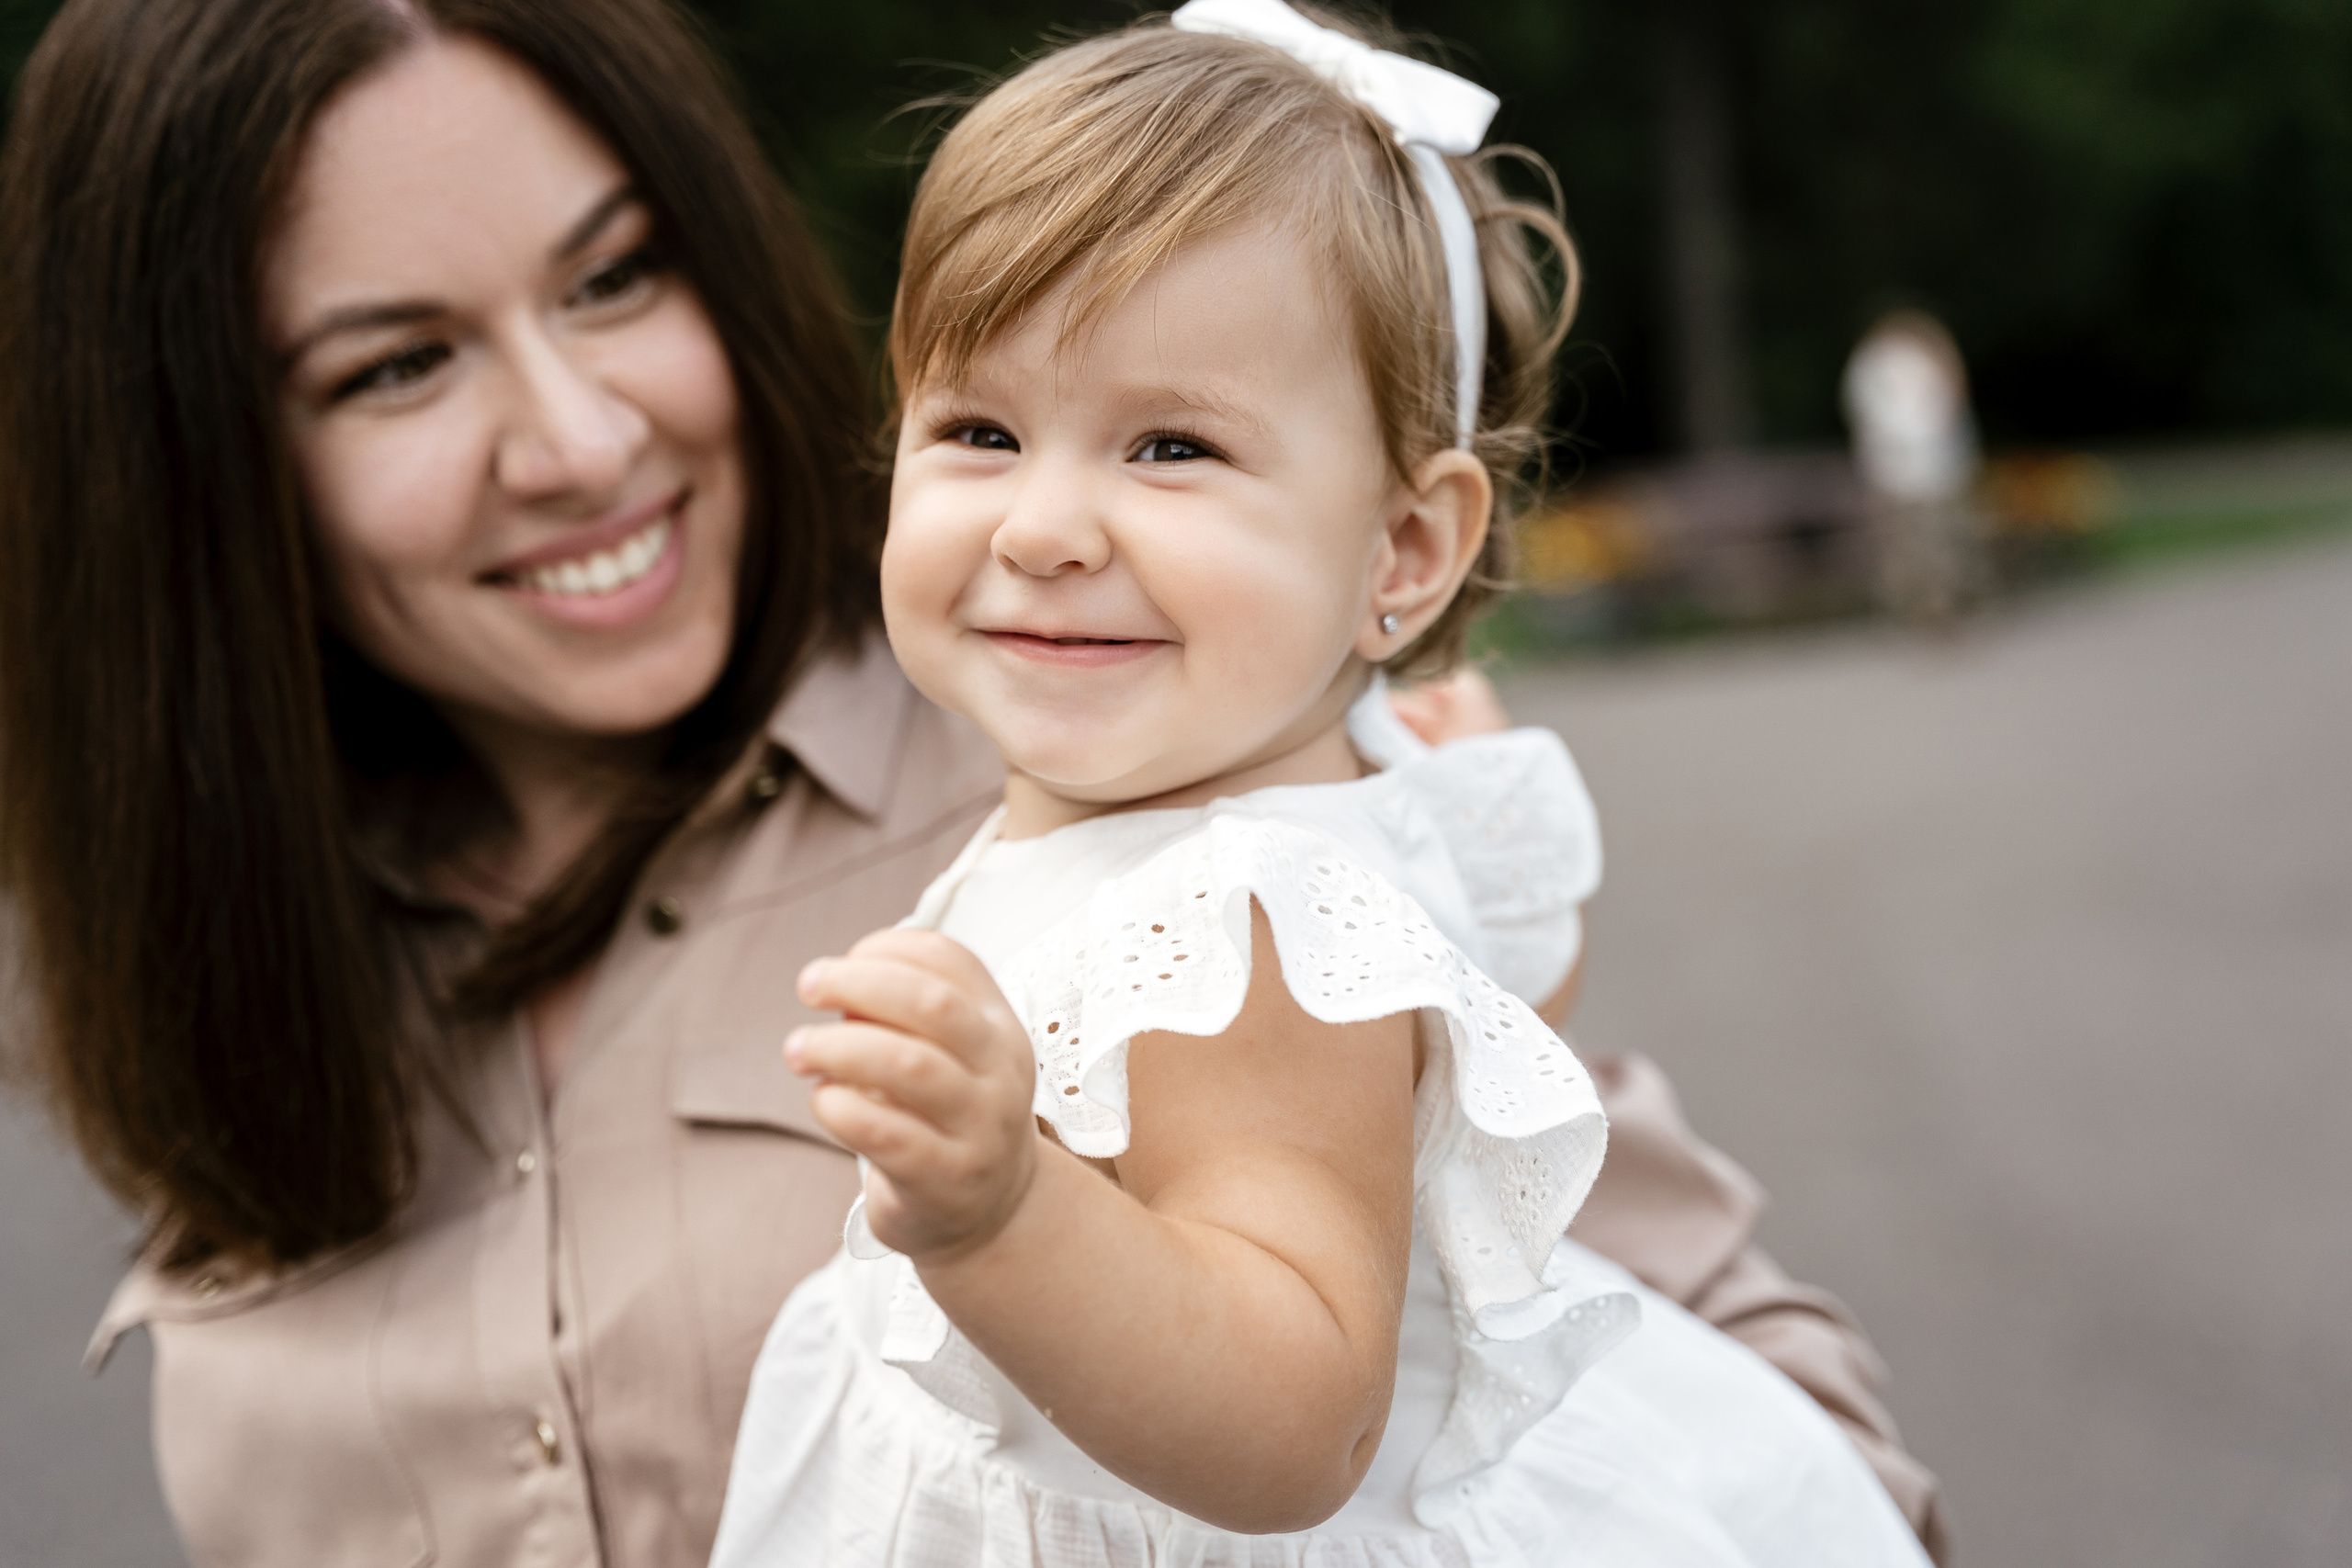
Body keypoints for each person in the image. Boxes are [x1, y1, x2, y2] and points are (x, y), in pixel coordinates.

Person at [0, 0, 1942, 1563]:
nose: (579, 437)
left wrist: (1017, 1198)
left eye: (612, 281)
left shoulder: (1204, 791)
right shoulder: (178, 927)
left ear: (1403, 549)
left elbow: (1579, 1310)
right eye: (397, 364)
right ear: (189, 458)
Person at [707, 7, 1930, 1564]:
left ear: (1405, 553)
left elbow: (1298, 1423)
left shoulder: (1263, 928)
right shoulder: (1309, 807)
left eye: (1168, 447)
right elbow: (1485, 1033)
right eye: (981, 429)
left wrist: (1008, 1211)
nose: (1042, 526)